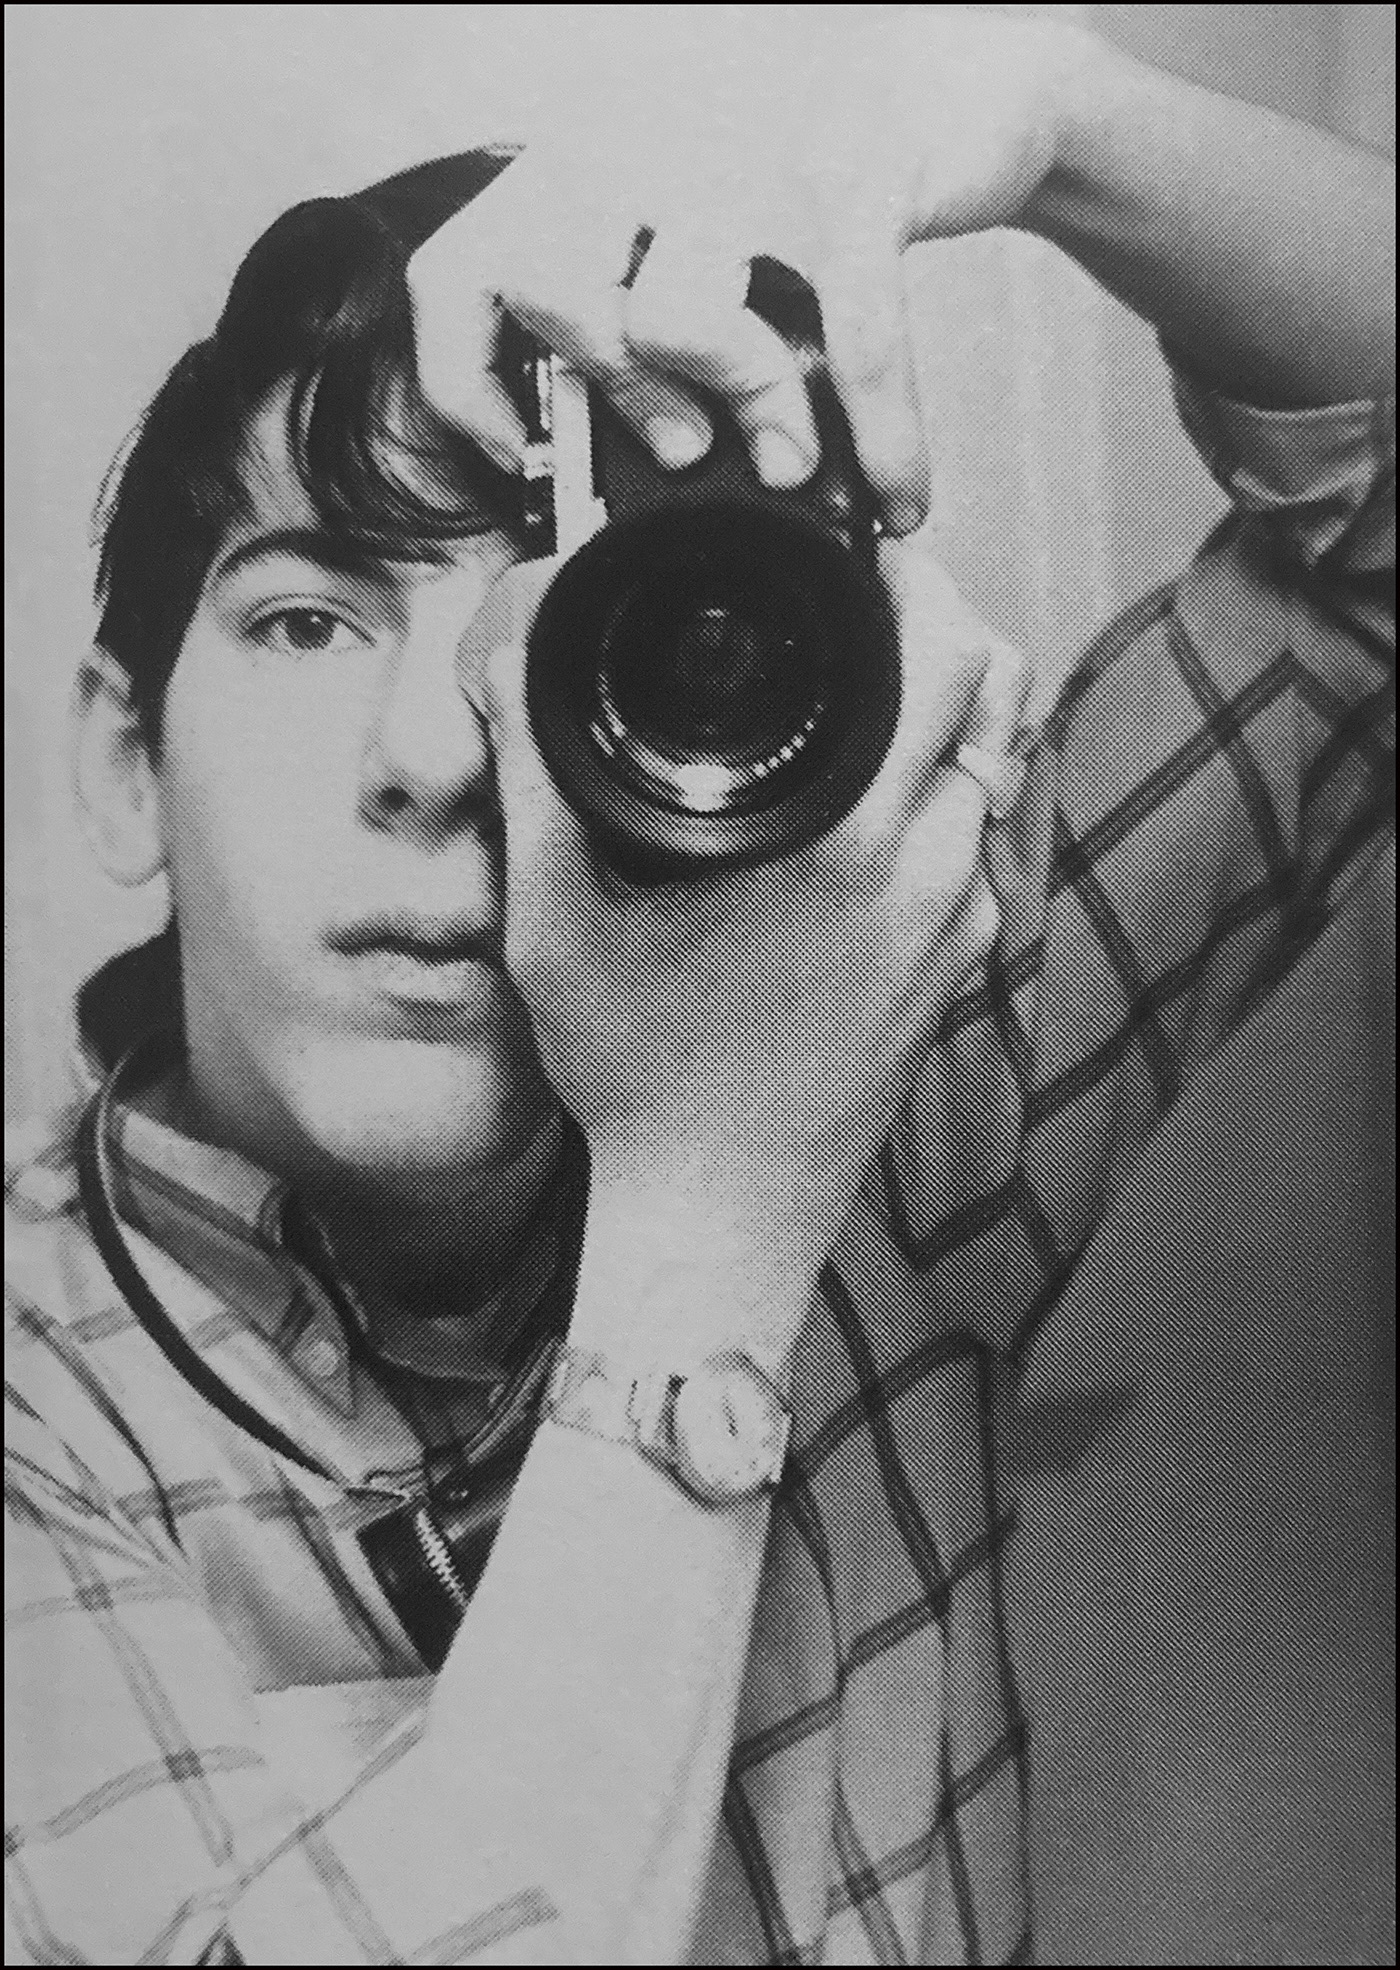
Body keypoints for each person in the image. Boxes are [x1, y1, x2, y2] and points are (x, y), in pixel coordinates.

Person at [5, 11, 1393, 1965]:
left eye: (536, 618)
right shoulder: (34, 1394)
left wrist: (1045, 113)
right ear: (123, 761)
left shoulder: (891, 1074)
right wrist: (721, 1202)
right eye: (308, 620)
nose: (429, 750)